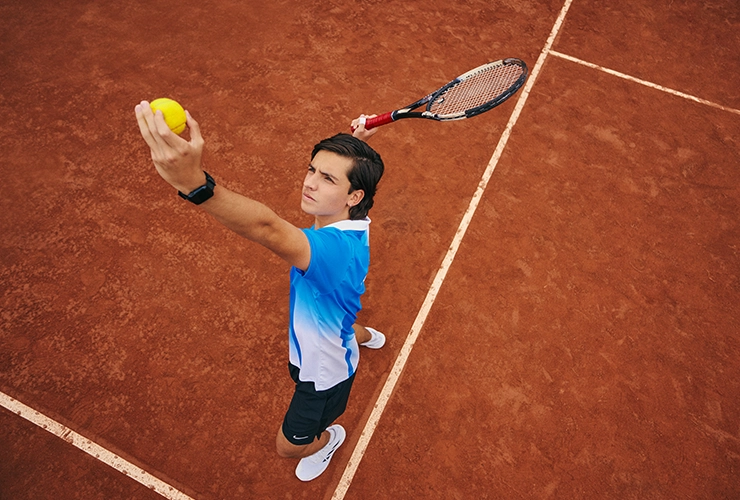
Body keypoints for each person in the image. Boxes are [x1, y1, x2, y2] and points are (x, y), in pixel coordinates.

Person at [134, 103, 386, 481]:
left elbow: (267, 227)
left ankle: (328, 439)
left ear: (354, 196)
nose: (310, 182)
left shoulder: (331, 253)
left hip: (324, 373)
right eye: (312, 169)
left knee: (288, 446)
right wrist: (353, 146)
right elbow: (341, 185)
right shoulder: (354, 220)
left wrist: (194, 184)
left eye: (327, 180)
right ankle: (364, 336)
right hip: (333, 315)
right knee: (342, 320)